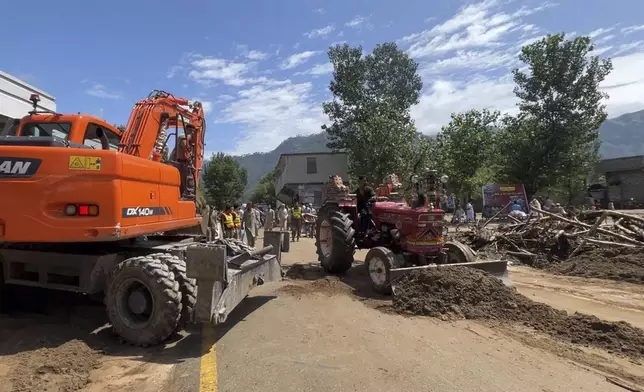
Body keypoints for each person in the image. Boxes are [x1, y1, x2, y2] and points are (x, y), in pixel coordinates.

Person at [170, 126, 196, 201]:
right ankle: (188, 199)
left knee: (180, 184)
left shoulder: (180, 137)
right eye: (192, 131)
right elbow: (187, 152)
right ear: (190, 130)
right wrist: (191, 165)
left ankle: (178, 198)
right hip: (183, 164)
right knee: (189, 185)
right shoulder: (184, 138)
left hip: (177, 163)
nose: (193, 133)